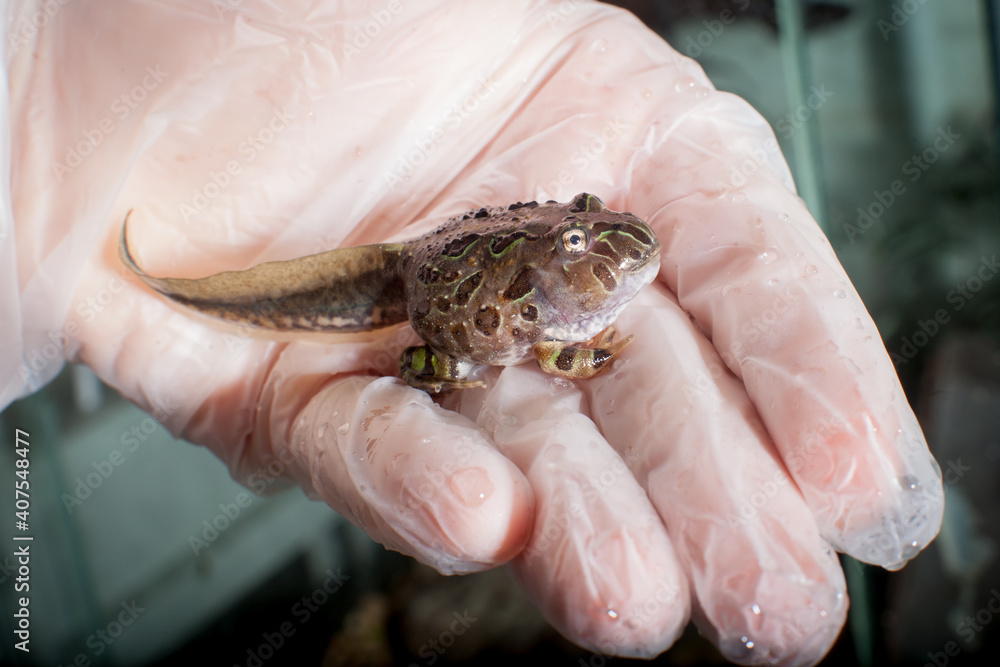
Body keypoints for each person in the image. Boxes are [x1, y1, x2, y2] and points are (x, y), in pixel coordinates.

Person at [0, 1, 943, 662]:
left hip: (442, 261)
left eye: (584, 226)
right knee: (440, 378)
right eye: (580, 233)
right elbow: (550, 348)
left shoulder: (570, 269)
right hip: (436, 297)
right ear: (559, 254)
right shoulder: (545, 304)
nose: (603, 241)